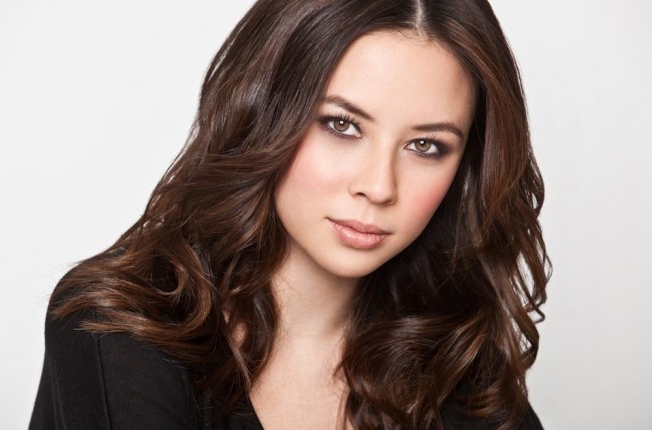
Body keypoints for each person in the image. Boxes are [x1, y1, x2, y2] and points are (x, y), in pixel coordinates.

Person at [29, 0, 549, 429]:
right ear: (264, 111)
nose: (378, 187)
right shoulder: (122, 330)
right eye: (342, 125)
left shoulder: (458, 354)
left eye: (426, 145)